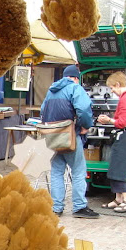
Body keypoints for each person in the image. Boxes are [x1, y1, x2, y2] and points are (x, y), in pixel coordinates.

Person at [41, 64, 98, 218]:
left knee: (57, 172)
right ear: (75, 78)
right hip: (70, 136)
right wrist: (86, 126)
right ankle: (79, 207)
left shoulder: (51, 91)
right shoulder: (75, 88)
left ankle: (57, 207)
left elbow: (42, 111)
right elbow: (84, 109)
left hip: (53, 138)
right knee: (78, 171)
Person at [97, 71, 126, 212]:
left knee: (119, 168)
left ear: (118, 84)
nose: (112, 91)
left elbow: (122, 122)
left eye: (112, 88)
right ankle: (118, 199)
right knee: (115, 167)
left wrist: (108, 120)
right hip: (123, 136)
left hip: (124, 136)